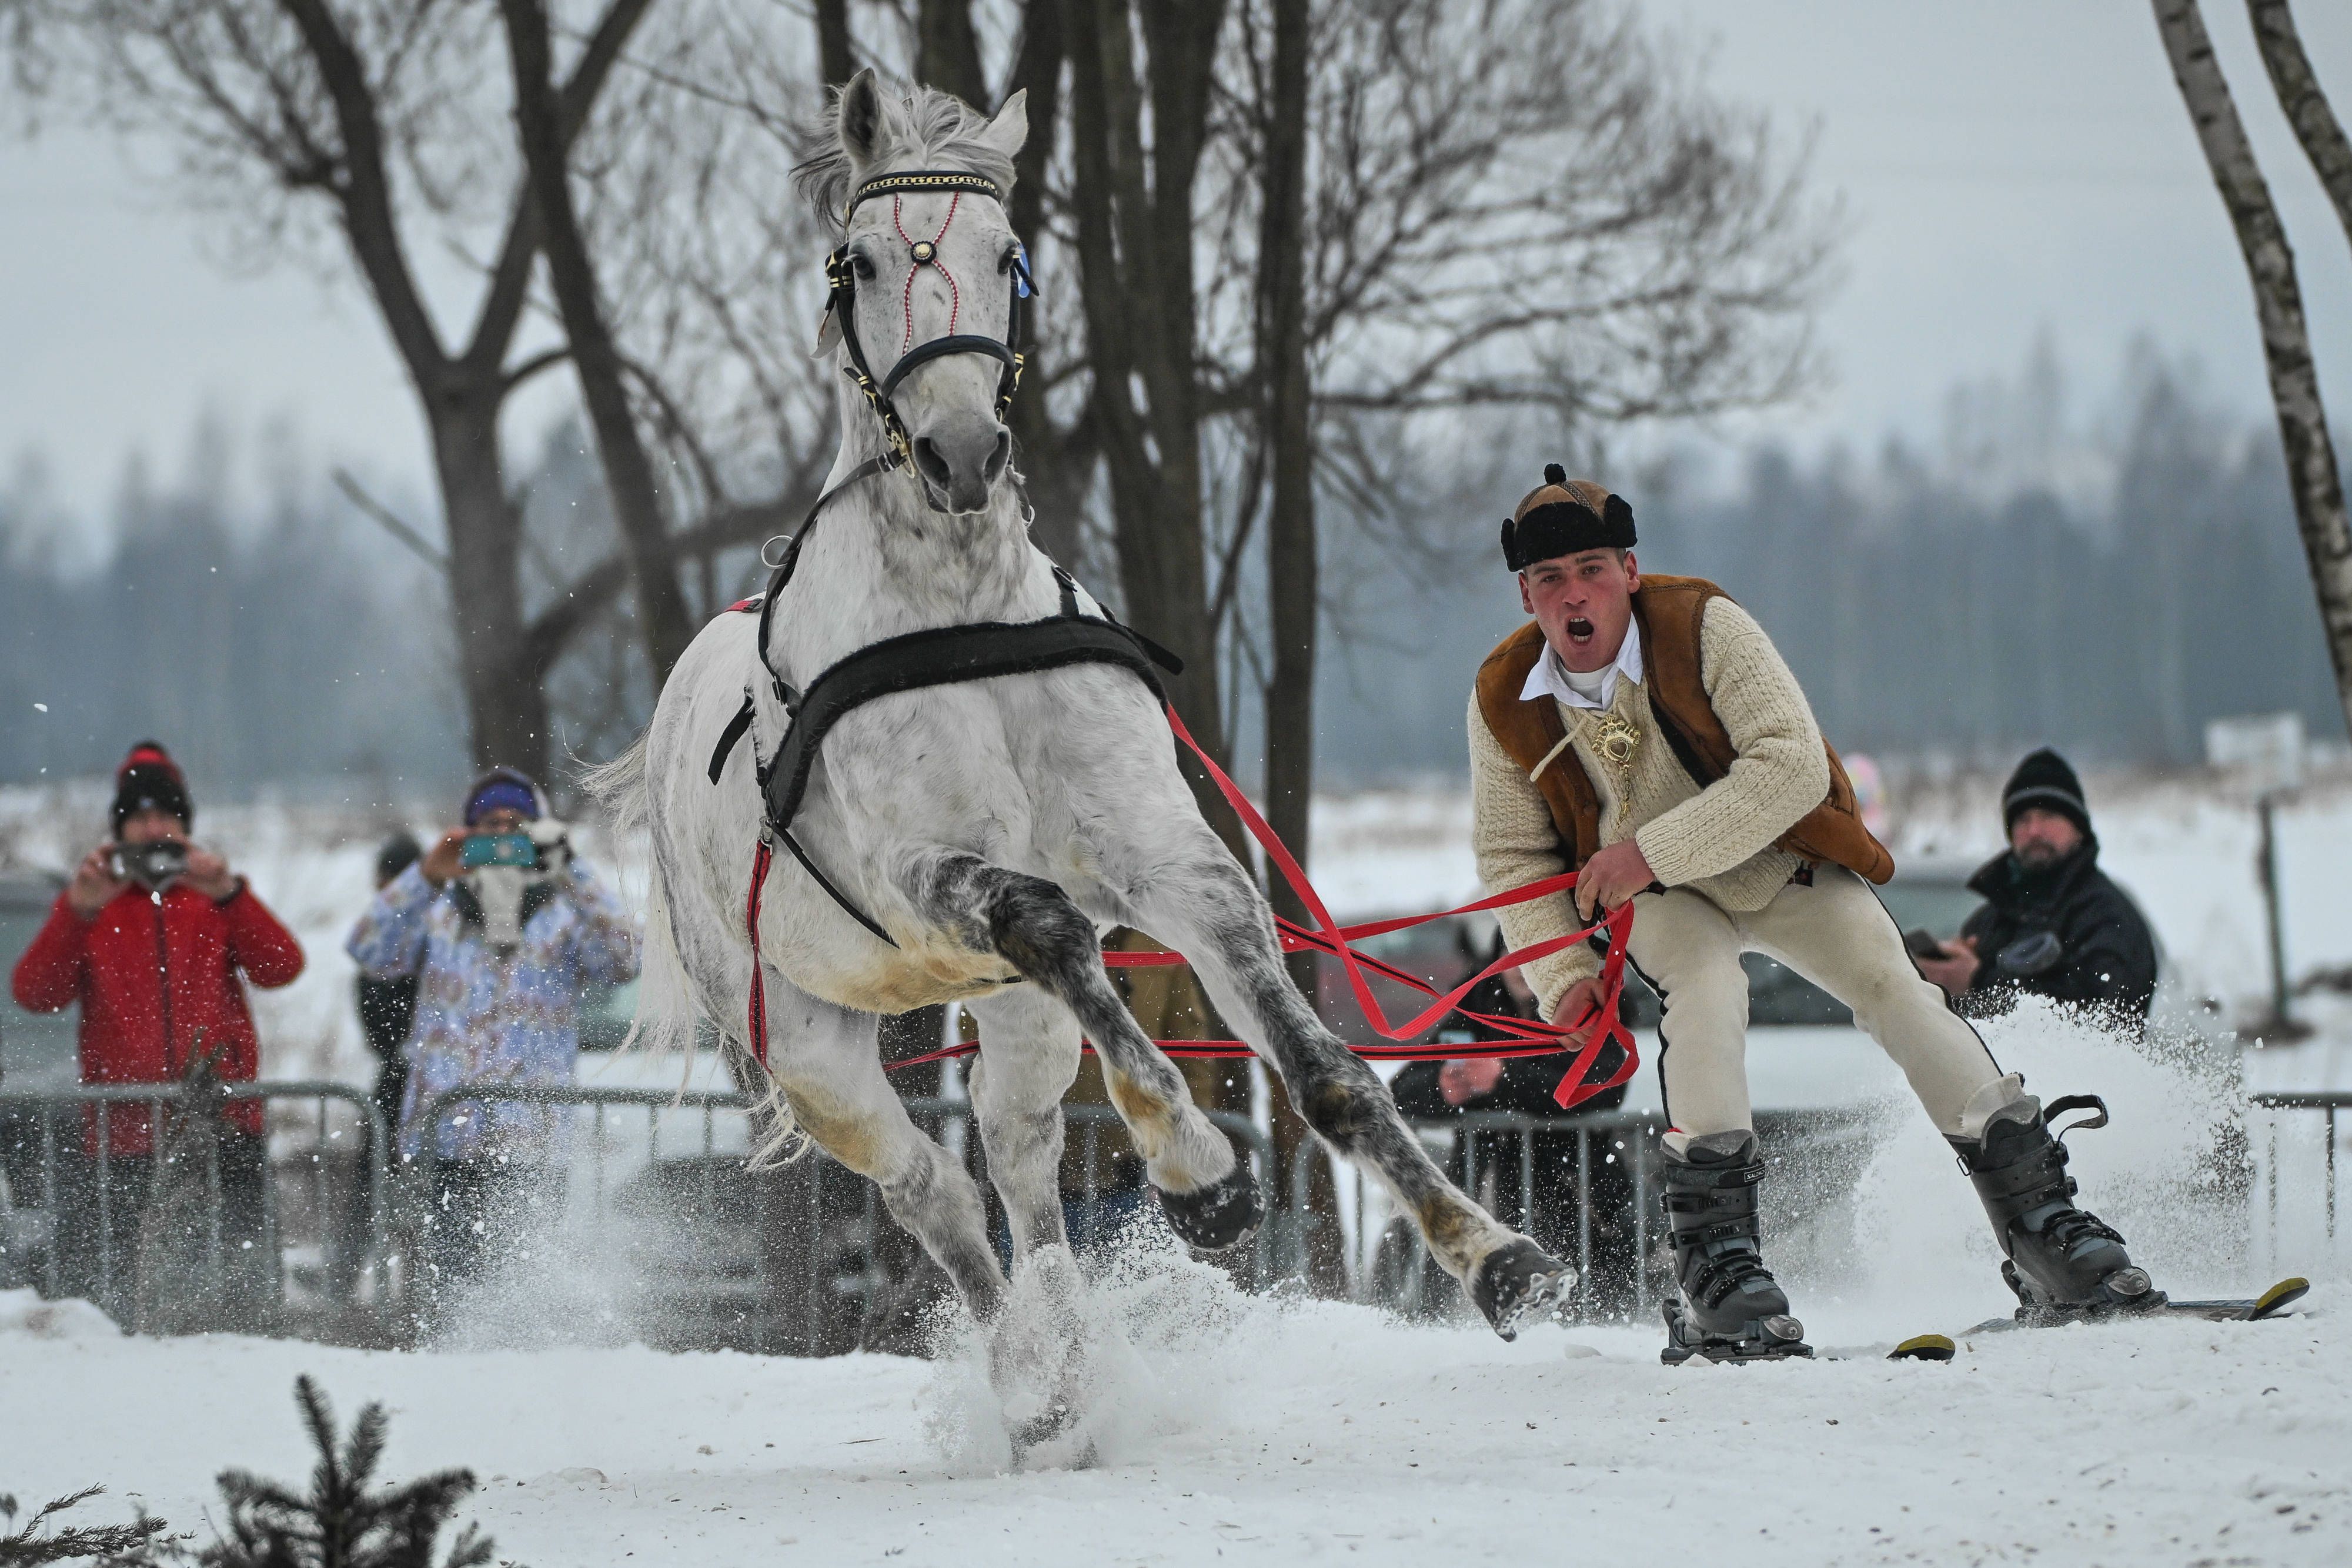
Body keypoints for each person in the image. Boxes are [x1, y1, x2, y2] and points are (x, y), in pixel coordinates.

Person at [1469, 466, 2156, 1362]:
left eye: (1591, 568)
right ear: (1527, 593)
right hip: (1664, 903)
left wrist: (1647, 851)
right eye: (1551, 579)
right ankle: (1717, 1268)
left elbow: (1790, 765)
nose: (1574, 595)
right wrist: (1563, 983)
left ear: (1630, 570)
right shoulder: (1503, 693)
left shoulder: (1705, 622)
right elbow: (1514, 855)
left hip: (1776, 858)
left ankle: (2044, 1227)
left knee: (1897, 991)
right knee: (1707, 993)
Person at [8, 741, 305, 1323]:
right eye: (140, 818)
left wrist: (230, 893)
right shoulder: (98, 907)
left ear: (186, 828)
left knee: (241, 1293)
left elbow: (282, 967)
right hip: (124, 1136)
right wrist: (77, 910)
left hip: (223, 1127)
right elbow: (35, 993)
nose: (153, 830)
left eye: (165, 816)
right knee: (127, 1301)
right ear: (119, 832)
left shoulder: (212, 901)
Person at [346, 768, 637, 1332]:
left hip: (531, 1148)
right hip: (442, 1144)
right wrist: (425, 875)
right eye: (489, 825)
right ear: (467, 831)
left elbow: (626, 958)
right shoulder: (438, 910)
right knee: (441, 1306)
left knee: (524, 1308)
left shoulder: (563, 916)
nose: (504, 836)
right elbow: (369, 949)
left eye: (518, 825)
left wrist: (571, 867)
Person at [1386, 935, 1638, 1316]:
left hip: (1576, 1192)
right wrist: (1440, 1088)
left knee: (1590, 1316)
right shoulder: (1474, 1002)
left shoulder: (1577, 998)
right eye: (1509, 954)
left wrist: (1504, 1079)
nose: (1519, 966)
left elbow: (1605, 1081)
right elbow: (1403, 1088)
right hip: (1479, 1190)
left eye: (1531, 955)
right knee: (1445, 1319)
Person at [1915, 749, 2159, 1029]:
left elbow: (2105, 1021)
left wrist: (1979, 981)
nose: (2034, 831)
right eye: (2022, 819)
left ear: (2078, 828)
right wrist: (1944, 975)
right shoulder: (1989, 921)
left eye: (2048, 815)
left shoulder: (2108, 918)